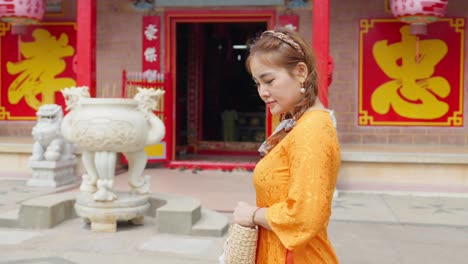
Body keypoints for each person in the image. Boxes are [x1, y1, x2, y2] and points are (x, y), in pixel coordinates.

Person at [232, 28, 341, 263]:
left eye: (269, 81)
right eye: (258, 83)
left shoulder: (312, 130)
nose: (263, 92)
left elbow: (305, 216)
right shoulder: (297, 124)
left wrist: (252, 214)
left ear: (300, 72)